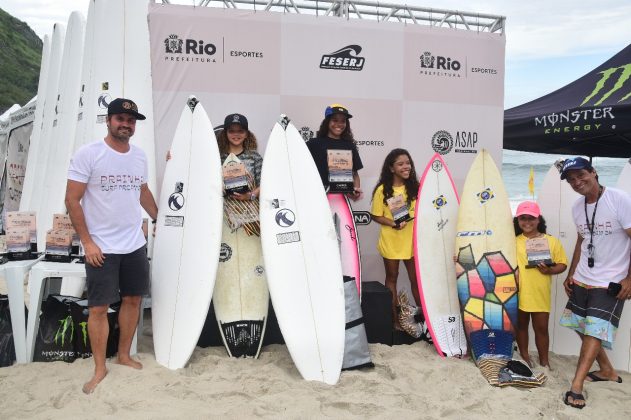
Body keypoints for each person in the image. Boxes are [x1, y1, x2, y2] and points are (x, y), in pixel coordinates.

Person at [65, 98, 158, 394]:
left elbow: (142, 191)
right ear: (108, 120)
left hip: (133, 244)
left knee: (133, 300)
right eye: (120, 119)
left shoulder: (139, 156)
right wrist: (88, 243)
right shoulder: (89, 153)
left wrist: (162, 221)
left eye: (131, 121)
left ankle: (124, 355)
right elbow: (72, 200)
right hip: (101, 247)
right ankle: (99, 368)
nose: (126, 125)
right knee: (99, 309)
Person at [558, 157, 631, 409]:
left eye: (581, 175)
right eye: (571, 180)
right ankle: (608, 370)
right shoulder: (577, 207)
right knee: (580, 324)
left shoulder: (619, 199)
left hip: (610, 281)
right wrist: (571, 273)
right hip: (583, 278)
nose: (577, 182)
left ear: (594, 172)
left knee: (595, 329)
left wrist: (630, 278)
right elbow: (581, 240)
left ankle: (576, 385)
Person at [370, 149, 420, 331]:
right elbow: (375, 215)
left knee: (417, 280)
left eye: (408, 163)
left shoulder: (416, 186)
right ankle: (394, 321)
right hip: (392, 240)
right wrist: (393, 223)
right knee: (392, 277)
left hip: (412, 242)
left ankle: (425, 319)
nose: (406, 166)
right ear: (391, 168)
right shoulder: (383, 189)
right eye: (400, 164)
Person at [512, 201, 567, 368]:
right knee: (521, 327)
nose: (527, 222)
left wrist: (549, 271)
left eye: (531, 218)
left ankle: (544, 362)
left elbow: (562, 264)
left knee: (541, 329)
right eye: (523, 218)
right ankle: (525, 356)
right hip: (518, 292)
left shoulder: (551, 241)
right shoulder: (512, 240)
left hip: (539, 292)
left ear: (538, 220)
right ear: (518, 220)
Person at [307, 104, 363, 201]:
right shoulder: (314, 143)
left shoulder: (349, 145)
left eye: (343, 121)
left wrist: (355, 190)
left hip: (340, 200)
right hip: (316, 199)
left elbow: (354, 174)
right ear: (327, 122)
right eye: (335, 120)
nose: (339, 124)